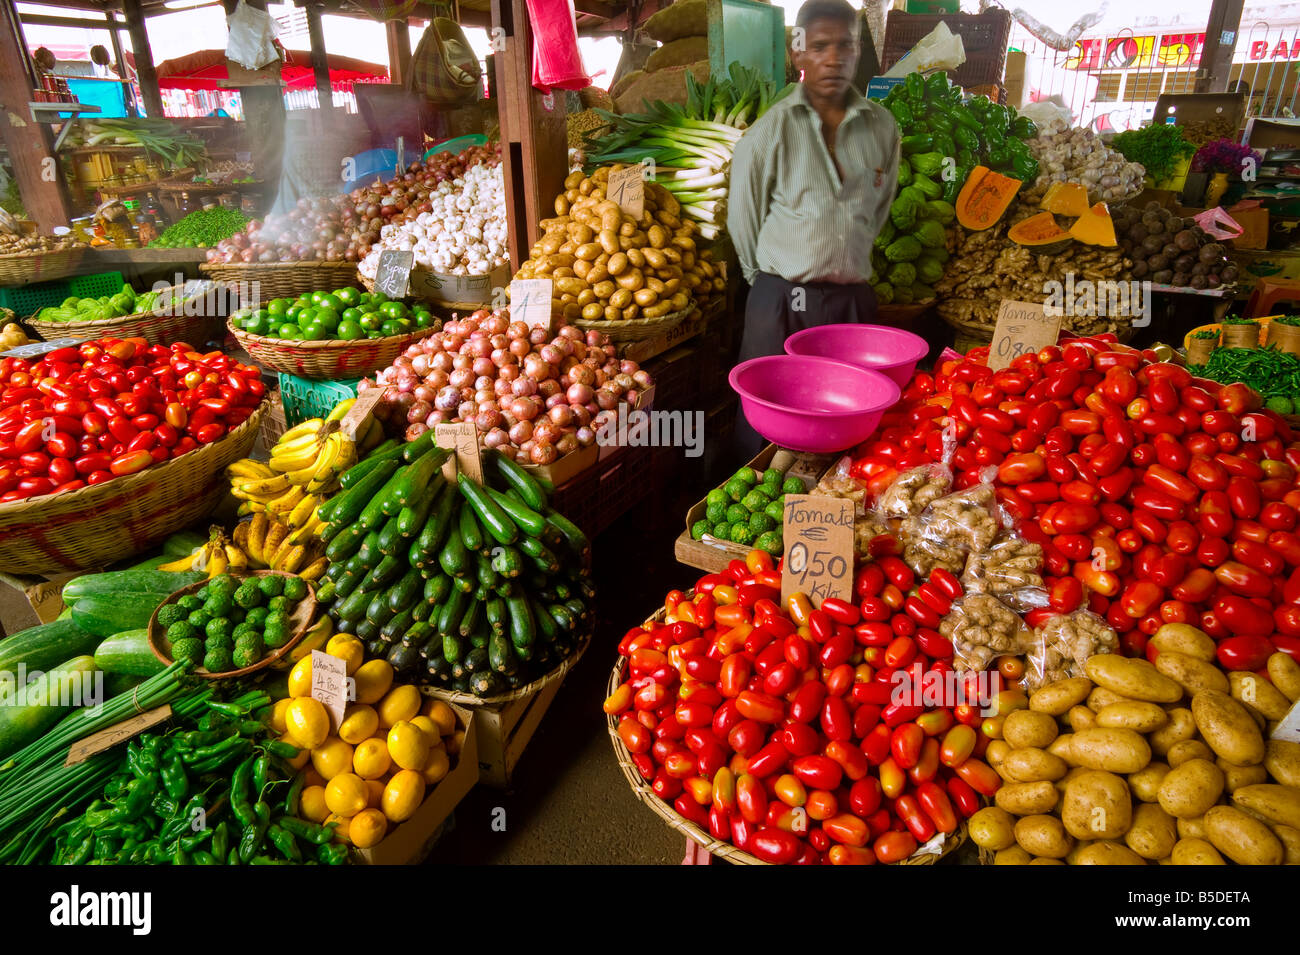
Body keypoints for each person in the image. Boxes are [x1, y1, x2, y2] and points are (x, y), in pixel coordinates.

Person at [727, 0, 900, 453]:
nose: (833, 58)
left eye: (845, 45)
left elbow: (880, 206)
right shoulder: (771, 131)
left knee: (849, 422)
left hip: (850, 302)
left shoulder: (883, 127)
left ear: (858, 50)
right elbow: (742, 216)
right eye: (819, 45)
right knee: (766, 422)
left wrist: (845, 255)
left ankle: (835, 514)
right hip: (780, 300)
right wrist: (765, 282)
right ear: (797, 52)